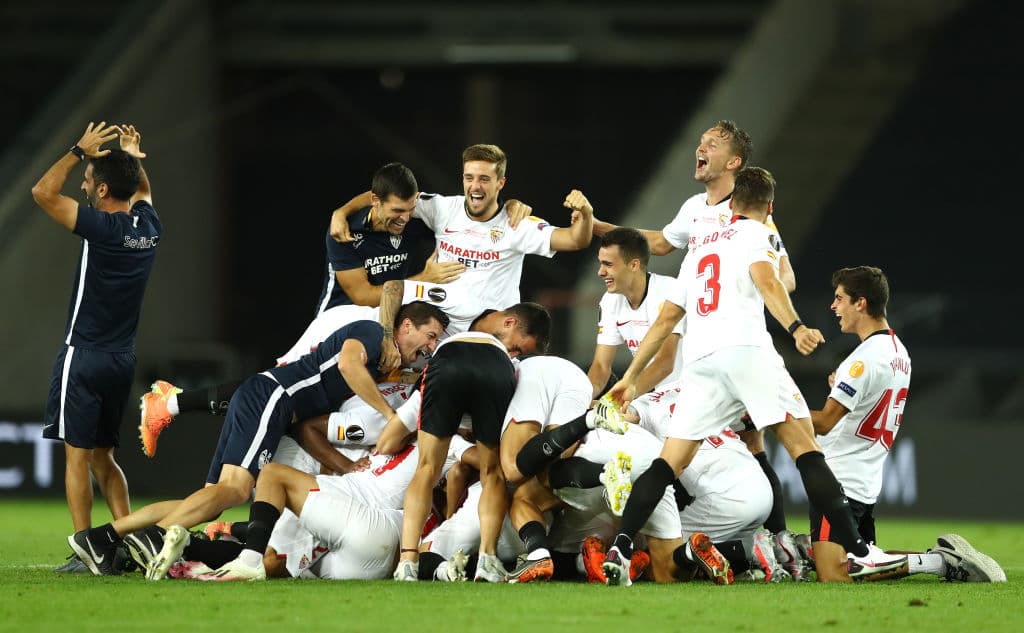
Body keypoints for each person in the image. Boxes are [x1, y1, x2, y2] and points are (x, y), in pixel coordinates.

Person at [597, 166, 906, 585]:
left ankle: (620, 546)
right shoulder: (759, 233)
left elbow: (667, 318)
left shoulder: (700, 247)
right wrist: (796, 327)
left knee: (669, 463)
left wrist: (631, 376)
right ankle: (859, 552)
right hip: (747, 353)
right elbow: (768, 281)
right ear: (769, 207)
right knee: (805, 448)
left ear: (731, 203)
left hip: (702, 364)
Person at [67, 302, 447, 577]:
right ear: (405, 325)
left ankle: (104, 537)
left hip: (270, 400)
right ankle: (155, 535)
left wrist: (346, 464)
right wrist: (391, 416)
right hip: (274, 397)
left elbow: (310, 425)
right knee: (235, 491)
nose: (429, 347)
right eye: (429, 336)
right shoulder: (371, 332)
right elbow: (348, 364)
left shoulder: (383, 361)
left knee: (212, 500)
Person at [809, 266, 1005, 582]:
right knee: (862, 559)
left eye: (840, 298)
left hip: (839, 480)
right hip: (864, 481)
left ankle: (940, 563)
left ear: (861, 303)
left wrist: (776, 411)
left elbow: (825, 422)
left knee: (833, 572)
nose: (833, 306)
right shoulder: (898, 352)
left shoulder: (862, 359)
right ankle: (941, 560)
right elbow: (871, 397)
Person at [31, 122, 158, 572]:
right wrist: (133, 159)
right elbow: (142, 192)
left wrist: (76, 151)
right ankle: (131, 541)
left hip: (84, 355)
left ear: (103, 190)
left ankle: (89, 551)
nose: (83, 186)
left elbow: (42, 193)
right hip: (122, 360)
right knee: (105, 459)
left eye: (87, 181)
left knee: (77, 457)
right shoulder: (148, 228)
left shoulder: (100, 228)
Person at [331, 144, 595, 331]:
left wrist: (585, 212)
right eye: (469, 177)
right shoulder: (442, 208)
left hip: (490, 334)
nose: (475, 186)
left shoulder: (516, 223)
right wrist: (342, 212)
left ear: (500, 183)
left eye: (484, 179)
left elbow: (576, 240)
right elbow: (388, 196)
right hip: (439, 331)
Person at [382, 302, 552, 582]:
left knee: (426, 468)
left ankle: (408, 563)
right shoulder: (511, 365)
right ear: (509, 324)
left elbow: (388, 440)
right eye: (516, 348)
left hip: (447, 362)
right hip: (495, 370)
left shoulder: (450, 342)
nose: (514, 354)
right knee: (492, 473)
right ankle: (487, 559)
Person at [587, 227, 685, 400]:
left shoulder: (668, 291)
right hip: (656, 396)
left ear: (634, 265)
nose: (600, 272)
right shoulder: (610, 300)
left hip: (692, 391)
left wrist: (617, 401)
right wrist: (581, 399)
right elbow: (601, 366)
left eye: (608, 264)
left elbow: (664, 363)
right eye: (600, 263)